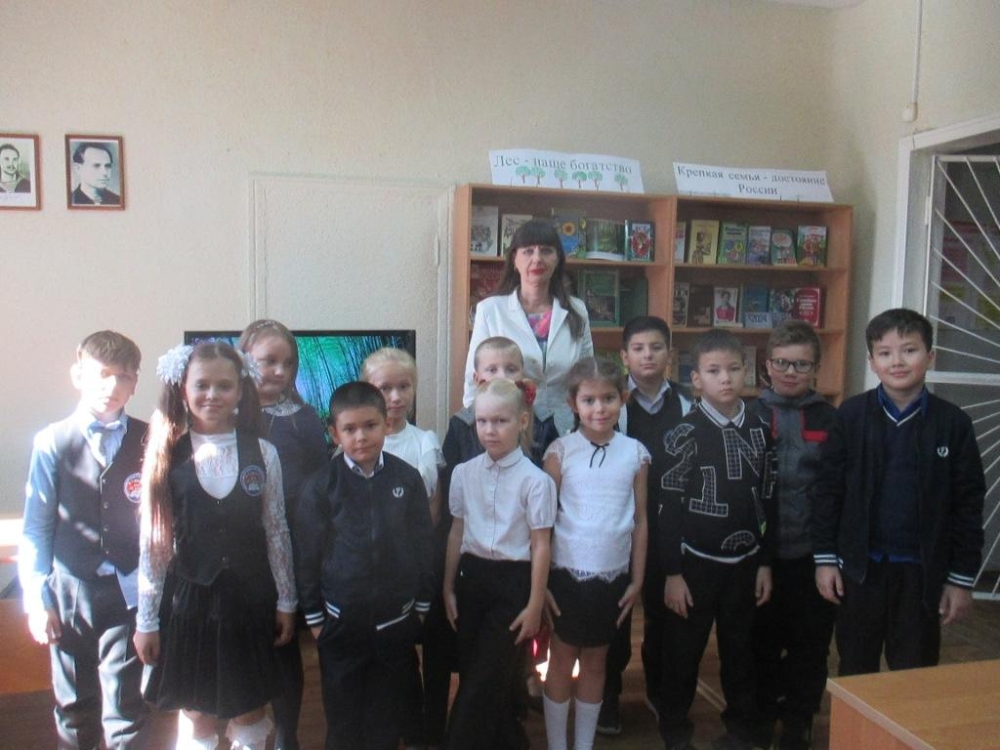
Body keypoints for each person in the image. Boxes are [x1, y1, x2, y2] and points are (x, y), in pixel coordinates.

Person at [134, 341, 297, 750]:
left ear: (241, 390)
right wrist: (147, 621)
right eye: (202, 385)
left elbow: (276, 530)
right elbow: (155, 544)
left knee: (249, 708)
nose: (212, 395)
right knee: (197, 712)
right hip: (191, 605)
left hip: (249, 602)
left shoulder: (264, 453)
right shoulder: (167, 455)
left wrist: (286, 600)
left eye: (224, 386)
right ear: (183, 389)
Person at [813, 308, 985, 677]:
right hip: (860, 569)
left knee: (915, 670)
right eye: (885, 353)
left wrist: (960, 578)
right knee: (855, 666)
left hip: (921, 571)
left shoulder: (953, 423)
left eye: (909, 350)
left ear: (930, 356)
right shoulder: (850, 416)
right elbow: (827, 491)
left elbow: (968, 506)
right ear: (872, 362)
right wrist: (825, 559)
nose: (897, 361)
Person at [18, 330, 150, 748]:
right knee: (74, 705)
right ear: (78, 375)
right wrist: (37, 599)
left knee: (126, 706)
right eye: (103, 373)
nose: (112, 385)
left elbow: (157, 525)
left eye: (124, 376)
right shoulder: (52, 442)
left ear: (135, 382)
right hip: (70, 594)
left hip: (128, 592)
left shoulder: (149, 438)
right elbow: (36, 527)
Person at [295, 381, 434, 750]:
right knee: (343, 722)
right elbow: (307, 556)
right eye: (350, 429)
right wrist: (316, 620)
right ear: (334, 434)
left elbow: (423, 544)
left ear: (386, 424)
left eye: (370, 425)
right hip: (341, 626)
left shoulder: (407, 479)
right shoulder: (321, 486)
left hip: (396, 623)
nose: (361, 437)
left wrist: (421, 606)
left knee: (386, 721)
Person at [436, 336, 558, 748]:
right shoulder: (463, 473)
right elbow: (456, 531)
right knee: (479, 674)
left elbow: (541, 545)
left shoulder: (536, 482)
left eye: (501, 421)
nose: (490, 430)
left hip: (513, 583)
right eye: (483, 421)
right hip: (472, 579)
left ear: (522, 421)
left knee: (483, 681)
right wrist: (448, 587)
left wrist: (535, 603)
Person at [658, 328, 776, 750]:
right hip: (694, 564)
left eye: (734, 368)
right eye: (713, 371)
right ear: (696, 379)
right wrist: (672, 572)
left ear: (747, 372)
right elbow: (668, 508)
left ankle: (741, 730)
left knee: (740, 653)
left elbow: (769, 499)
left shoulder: (761, 429)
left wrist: (765, 562)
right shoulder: (684, 433)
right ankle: (676, 731)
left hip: (745, 564)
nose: (725, 378)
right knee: (683, 654)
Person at [542, 357, 649, 750]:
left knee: (597, 661)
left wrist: (637, 579)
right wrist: (541, 584)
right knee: (560, 658)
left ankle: (583, 745)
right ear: (573, 404)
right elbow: (542, 523)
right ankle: (558, 744)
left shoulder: (635, 454)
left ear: (623, 399)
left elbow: (640, 520)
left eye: (608, 398)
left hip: (612, 577)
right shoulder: (560, 452)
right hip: (565, 577)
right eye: (589, 400)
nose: (599, 408)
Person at [598, 316, 694, 736]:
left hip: (670, 529)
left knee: (664, 617)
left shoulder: (688, 403)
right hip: (621, 529)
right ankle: (607, 698)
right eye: (638, 349)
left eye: (656, 347)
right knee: (616, 617)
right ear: (624, 356)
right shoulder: (613, 403)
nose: (648, 355)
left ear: (670, 353)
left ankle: (659, 691)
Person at [239, 319, 329, 750]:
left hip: (288, 547)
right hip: (239, 550)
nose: (279, 370)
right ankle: (245, 728)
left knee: (282, 642)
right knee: (244, 643)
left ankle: (286, 735)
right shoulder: (227, 416)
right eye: (268, 361)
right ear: (244, 361)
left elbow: (321, 485)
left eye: (288, 362)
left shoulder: (302, 419)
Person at [749, 321, 837, 750]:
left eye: (801, 364)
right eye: (782, 363)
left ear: (816, 369)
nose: (790, 372)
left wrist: (829, 555)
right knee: (759, 643)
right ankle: (761, 719)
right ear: (767, 365)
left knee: (810, 646)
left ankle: (799, 721)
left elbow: (837, 489)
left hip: (812, 556)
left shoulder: (831, 418)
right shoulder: (748, 414)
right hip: (760, 557)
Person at [360, 346, 443, 750]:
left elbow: (432, 511)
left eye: (403, 387)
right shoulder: (358, 443)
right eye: (384, 388)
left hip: (408, 568)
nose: (395, 397)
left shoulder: (424, 442)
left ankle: (413, 729)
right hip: (367, 573)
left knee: (404, 655)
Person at [462, 218, 594, 434]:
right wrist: (478, 430)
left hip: (565, 428)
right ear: (514, 259)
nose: (537, 259)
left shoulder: (577, 310)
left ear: (558, 259)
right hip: (507, 428)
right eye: (528, 251)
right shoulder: (490, 310)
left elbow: (587, 375)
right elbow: (473, 380)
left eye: (546, 251)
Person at [70, 141, 121, 206]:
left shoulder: (118, 200)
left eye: (108, 166)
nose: (105, 172)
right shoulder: (70, 201)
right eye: (96, 166)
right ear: (78, 168)